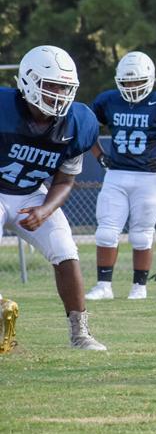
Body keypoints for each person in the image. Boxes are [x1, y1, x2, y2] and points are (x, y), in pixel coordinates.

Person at [0, 46, 105, 349]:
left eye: (65, 87)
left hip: (30, 193)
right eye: (52, 86)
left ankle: (80, 331)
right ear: (29, 82)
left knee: (65, 250)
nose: (59, 94)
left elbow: (65, 180)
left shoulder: (78, 123)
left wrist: (45, 210)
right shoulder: (4, 109)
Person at [86, 51, 156, 300]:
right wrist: (99, 155)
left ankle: (139, 287)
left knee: (141, 234)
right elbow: (87, 129)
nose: (132, 87)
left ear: (149, 79)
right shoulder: (109, 101)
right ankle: (104, 286)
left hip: (150, 177)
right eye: (127, 82)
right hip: (116, 173)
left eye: (137, 81)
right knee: (106, 231)